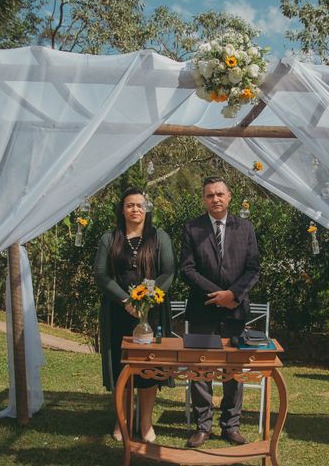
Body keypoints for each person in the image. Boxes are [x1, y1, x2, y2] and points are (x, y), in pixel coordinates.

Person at [180, 176, 261, 448]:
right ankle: (203, 426)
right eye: (209, 195)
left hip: (236, 312)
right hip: (203, 310)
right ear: (203, 199)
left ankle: (231, 426)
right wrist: (217, 296)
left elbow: (253, 269)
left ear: (229, 197)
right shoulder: (192, 228)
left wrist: (232, 296)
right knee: (201, 369)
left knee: (233, 371)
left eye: (219, 194)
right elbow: (187, 269)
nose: (215, 199)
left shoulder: (245, 228)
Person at [94, 187, 175, 443]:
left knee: (148, 369)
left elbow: (169, 271)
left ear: (146, 208)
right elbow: (101, 274)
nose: (135, 209)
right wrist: (126, 300)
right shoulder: (110, 237)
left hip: (152, 312)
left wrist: (147, 299)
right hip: (119, 312)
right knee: (123, 368)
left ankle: (145, 422)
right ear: (122, 209)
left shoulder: (159, 236)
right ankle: (123, 420)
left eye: (140, 205)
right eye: (130, 205)